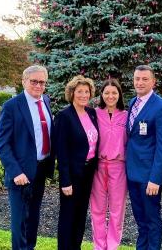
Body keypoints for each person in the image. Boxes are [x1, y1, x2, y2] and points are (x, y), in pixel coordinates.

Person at [0, 65, 55, 250]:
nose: (38, 85)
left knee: (33, 218)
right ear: (24, 81)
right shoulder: (11, 106)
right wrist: (15, 172)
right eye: (34, 81)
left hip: (40, 170)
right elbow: (3, 145)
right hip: (21, 174)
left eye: (42, 82)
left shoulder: (45, 101)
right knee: (19, 221)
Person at [126, 65, 162, 250]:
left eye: (145, 79)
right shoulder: (132, 103)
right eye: (137, 78)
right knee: (140, 220)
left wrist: (155, 178)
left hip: (149, 177)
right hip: (133, 173)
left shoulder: (161, 108)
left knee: (152, 220)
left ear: (153, 82)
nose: (140, 82)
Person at [54, 75, 99, 250]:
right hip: (71, 175)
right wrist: (65, 180)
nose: (83, 95)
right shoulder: (64, 116)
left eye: (86, 91)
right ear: (72, 93)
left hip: (88, 173)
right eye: (79, 91)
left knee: (80, 215)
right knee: (68, 215)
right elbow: (61, 151)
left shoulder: (91, 113)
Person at [90, 78, 128, 250]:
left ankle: (112, 246)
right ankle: (99, 246)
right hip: (98, 166)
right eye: (107, 92)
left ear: (119, 94)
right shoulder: (94, 114)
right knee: (97, 209)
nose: (110, 96)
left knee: (117, 210)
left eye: (114, 92)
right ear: (102, 95)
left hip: (119, 166)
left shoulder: (126, 115)